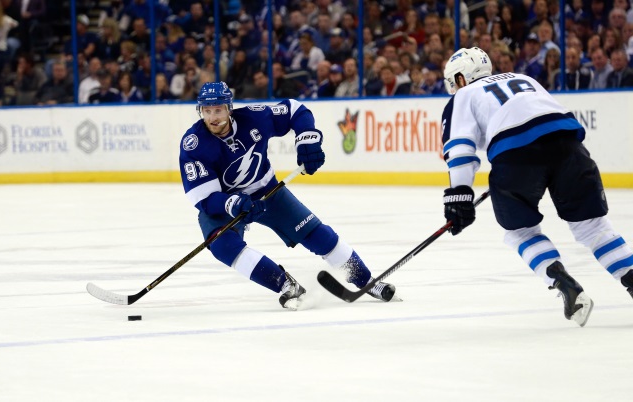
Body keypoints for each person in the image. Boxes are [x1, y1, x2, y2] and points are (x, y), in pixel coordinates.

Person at [440, 47, 633, 327]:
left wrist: (459, 196)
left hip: (516, 158)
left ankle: (564, 284)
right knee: (594, 227)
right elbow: (542, 121)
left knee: (520, 231)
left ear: (460, 78)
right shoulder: (523, 78)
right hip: (569, 148)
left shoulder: (464, 95)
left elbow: (460, 148)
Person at [179, 82, 398, 310]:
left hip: (267, 192)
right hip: (224, 204)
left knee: (317, 235)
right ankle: (285, 285)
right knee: (222, 245)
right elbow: (204, 198)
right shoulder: (194, 145)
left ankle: (367, 281)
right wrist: (233, 204)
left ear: (229, 108)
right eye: (207, 110)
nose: (212, 117)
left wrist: (307, 139)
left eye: (218, 109)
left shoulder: (253, 119)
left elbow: (295, 110)